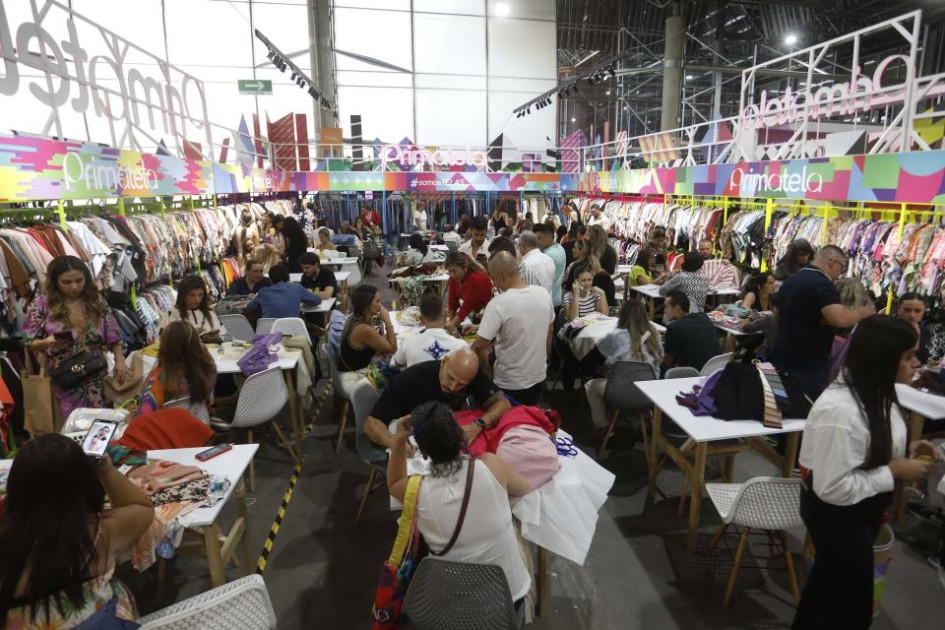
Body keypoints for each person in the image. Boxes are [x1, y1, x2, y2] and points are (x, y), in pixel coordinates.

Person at [793, 315, 941, 630]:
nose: (916, 364)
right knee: (850, 609)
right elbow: (833, 488)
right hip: (838, 516)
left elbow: (865, 441)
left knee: (827, 592)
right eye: (908, 356)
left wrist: (905, 449)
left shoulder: (875, 390)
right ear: (883, 358)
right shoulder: (841, 411)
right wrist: (894, 469)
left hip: (858, 510)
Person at [386, 402, 531, 610]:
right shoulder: (491, 465)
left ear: (423, 451)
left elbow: (393, 484)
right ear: (460, 433)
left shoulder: (418, 490)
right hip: (508, 603)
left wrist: (400, 438)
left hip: (452, 608)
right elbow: (524, 487)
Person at [0, 434, 154, 627]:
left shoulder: (6, 536)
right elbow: (141, 506)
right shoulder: (99, 533)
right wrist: (105, 469)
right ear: (85, 481)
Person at [22, 256, 130, 419]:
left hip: (96, 370)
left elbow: (113, 332)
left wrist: (120, 360)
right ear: (55, 281)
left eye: (79, 281)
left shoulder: (95, 300)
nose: (74, 287)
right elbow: (27, 341)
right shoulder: (42, 304)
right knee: (74, 421)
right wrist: (46, 342)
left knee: (102, 419)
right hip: (65, 375)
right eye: (66, 282)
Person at [772, 245, 873, 400]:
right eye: (841, 267)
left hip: (780, 355)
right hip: (806, 364)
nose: (840, 273)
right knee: (809, 407)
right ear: (832, 262)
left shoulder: (792, 280)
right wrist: (863, 312)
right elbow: (839, 319)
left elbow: (777, 313)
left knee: (781, 403)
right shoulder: (822, 284)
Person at [365, 347, 511, 449]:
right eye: (450, 378)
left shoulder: (471, 374)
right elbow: (371, 424)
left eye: (461, 384)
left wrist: (478, 424)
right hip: (410, 438)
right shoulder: (409, 380)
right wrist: (395, 443)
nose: (452, 387)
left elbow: (503, 403)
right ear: (444, 362)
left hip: (443, 436)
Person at [473, 252, 554, 405]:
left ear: (500, 277)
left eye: (493, 278)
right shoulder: (543, 294)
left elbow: (479, 346)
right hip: (539, 377)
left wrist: (488, 370)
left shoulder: (498, 304)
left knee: (509, 418)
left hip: (509, 383)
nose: (494, 284)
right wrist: (542, 359)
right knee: (531, 415)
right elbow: (549, 331)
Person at [585, 299, 664, 429]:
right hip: (650, 392)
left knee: (591, 386)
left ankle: (604, 427)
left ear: (622, 315)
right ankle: (638, 416)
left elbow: (594, 357)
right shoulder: (654, 334)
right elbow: (660, 360)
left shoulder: (616, 335)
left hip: (622, 392)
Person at [138, 320, 216, 418]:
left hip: (167, 426)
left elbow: (143, 415)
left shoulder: (159, 379)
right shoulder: (206, 370)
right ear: (196, 345)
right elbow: (210, 402)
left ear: (164, 348)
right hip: (200, 423)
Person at [336, 284, 396, 397]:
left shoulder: (355, 317)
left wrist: (380, 323)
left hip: (354, 371)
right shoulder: (362, 329)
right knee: (399, 377)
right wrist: (388, 321)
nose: (380, 305)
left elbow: (379, 338)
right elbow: (392, 348)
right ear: (366, 304)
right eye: (377, 301)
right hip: (353, 378)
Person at [392, 293, 466, 369]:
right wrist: (454, 332)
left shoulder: (408, 342)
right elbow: (469, 355)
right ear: (445, 316)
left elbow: (397, 363)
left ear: (421, 319)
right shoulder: (460, 346)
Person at [662, 291, 721, 372]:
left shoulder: (673, 328)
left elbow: (668, 364)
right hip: (715, 371)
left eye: (666, 307)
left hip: (693, 375)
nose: (664, 311)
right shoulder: (703, 317)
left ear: (677, 309)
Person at [245, 264, 321, 319]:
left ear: (271, 279)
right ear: (288, 278)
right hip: (292, 331)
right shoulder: (297, 288)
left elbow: (249, 308)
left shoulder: (263, 292)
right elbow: (317, 300)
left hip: (269, 332)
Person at [444, 252, 493, 333]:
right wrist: (451, 326)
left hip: (487, 313)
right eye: (449, 271)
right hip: (474, 312)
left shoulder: (475, 279)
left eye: (454, 271)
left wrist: (451, 328)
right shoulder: (454, 278)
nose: (452, 275)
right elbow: (452, 302)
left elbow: (466, 308)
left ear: (464, 268)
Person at [168, 275, 227, 341]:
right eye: (192, 295)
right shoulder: (171, 314)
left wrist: (216, 338)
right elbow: (164, 342)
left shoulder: (210, 312)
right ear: (183, 295)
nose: (197, 299)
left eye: (200, 295)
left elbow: (224, 335)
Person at [534, 223, 566, 309]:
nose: (536, 242)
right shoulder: (560, 248)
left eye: (539, 238)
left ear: (549, 237)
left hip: (548, 302)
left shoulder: (547, 256)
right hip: (556, 299)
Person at [517, 230, 556, 297]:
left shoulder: (525, 265)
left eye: (519, 246)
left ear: (523, 246)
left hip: (531, 302)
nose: (518, 249)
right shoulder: (549, 259)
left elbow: (522, 293)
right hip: (548, 300)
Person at [897, 292, 932, 364]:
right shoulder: (887, 330)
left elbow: (922, 358)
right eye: (907, 310)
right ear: (899, 310)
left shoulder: (925, 332)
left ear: (923, 312)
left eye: (917, 311)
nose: (912, 315)